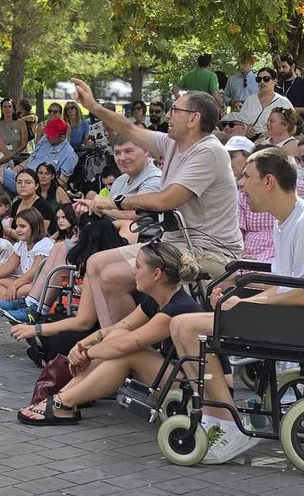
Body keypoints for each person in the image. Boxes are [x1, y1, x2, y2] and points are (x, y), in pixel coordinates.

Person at [168, 147, 304, 463]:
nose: (240, 184)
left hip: (302, 323)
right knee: (180, 324)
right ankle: (213, 414)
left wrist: (250, 303)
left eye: (247, 177)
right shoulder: (286, 221)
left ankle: (228, 422)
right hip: (289, 315)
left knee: (187, 325)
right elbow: (285, 281)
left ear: (269, 181)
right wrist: (236, 290)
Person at [70, 82, 241, 323]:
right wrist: (93, 106)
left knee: (111, 276)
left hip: (208, 251)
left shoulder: (209, 151)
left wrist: (112, 203)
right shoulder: (173, 143)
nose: (168, 115)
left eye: (175, 110)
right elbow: (128, 128)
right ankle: (113, 342)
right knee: (96, 262)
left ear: (193, 119)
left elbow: (166, 200)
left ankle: (130, 347)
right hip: (175, 244)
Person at [17, 240, 199, 425]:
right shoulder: (158, 299)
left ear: (156, 274)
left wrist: (85, 353)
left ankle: (62, 402)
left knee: (129, 353)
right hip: (178, 375)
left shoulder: (177, 307)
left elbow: (127, 345)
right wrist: (84, 345)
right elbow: (119, 328)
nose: (134, 272)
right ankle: (63, 399)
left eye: (137, 266)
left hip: (194, 388)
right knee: (116, 336)